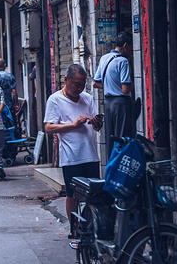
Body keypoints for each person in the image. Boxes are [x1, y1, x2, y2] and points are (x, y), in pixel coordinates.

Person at [44, 64, 102, 246]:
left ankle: (92, 230)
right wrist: (73, 125)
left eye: (83, 84)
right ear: (65, 80)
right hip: (71, 156)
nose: (79, 88)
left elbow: (96, 127)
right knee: (72, 195)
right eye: (76, 84)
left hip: (90, 154)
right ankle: (75, 231)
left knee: (95, 195)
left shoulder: (87, 98)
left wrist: (97, 123)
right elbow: (48, 127)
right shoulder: (55, 100)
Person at [93, 31, 135, 158]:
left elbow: (95, 83)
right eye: (132, 47)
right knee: (122, 139)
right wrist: (135, 85)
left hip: (108, 104)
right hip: (120, 104)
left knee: (111, 139)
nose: (132, 51)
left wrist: (110, 86)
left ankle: (110, 168)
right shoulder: (123, 61)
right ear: (126, 46)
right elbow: (125, 90)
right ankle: (119, 171)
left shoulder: (104, 58)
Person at [0, 58, 18, 125]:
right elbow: (14, 91)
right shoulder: (10, 76)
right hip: (8, 105)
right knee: (11, 124)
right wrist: (16, 104)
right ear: (5, 65)